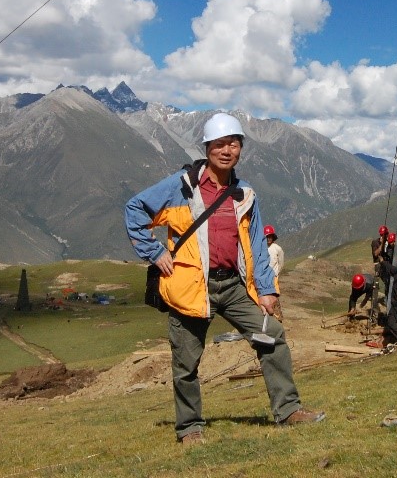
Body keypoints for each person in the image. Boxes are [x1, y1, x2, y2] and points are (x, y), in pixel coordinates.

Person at [125, 112, 324, 444]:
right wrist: (153, 252)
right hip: (192, 288)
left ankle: (288, 411)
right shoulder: (181, 187)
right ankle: (189, 428)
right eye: (219, 144)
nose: (227, 150)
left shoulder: (244, 193)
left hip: (233, 287)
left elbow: (258, 244)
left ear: (241, 148)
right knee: (186, 360)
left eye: (234, 143)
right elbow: (134, 208)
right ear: (207, 148)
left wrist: (266, 290)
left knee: (270, 335)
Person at [264, 224, 284, 320]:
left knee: (275, 295)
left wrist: (276, 273)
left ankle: (278, 316)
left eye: (270, 236)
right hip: (264, 276)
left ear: (273, 237)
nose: (268, 239)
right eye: (267, 236)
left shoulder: (277, 248)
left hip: (273, 276)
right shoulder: (262, 248)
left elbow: (281, 263)